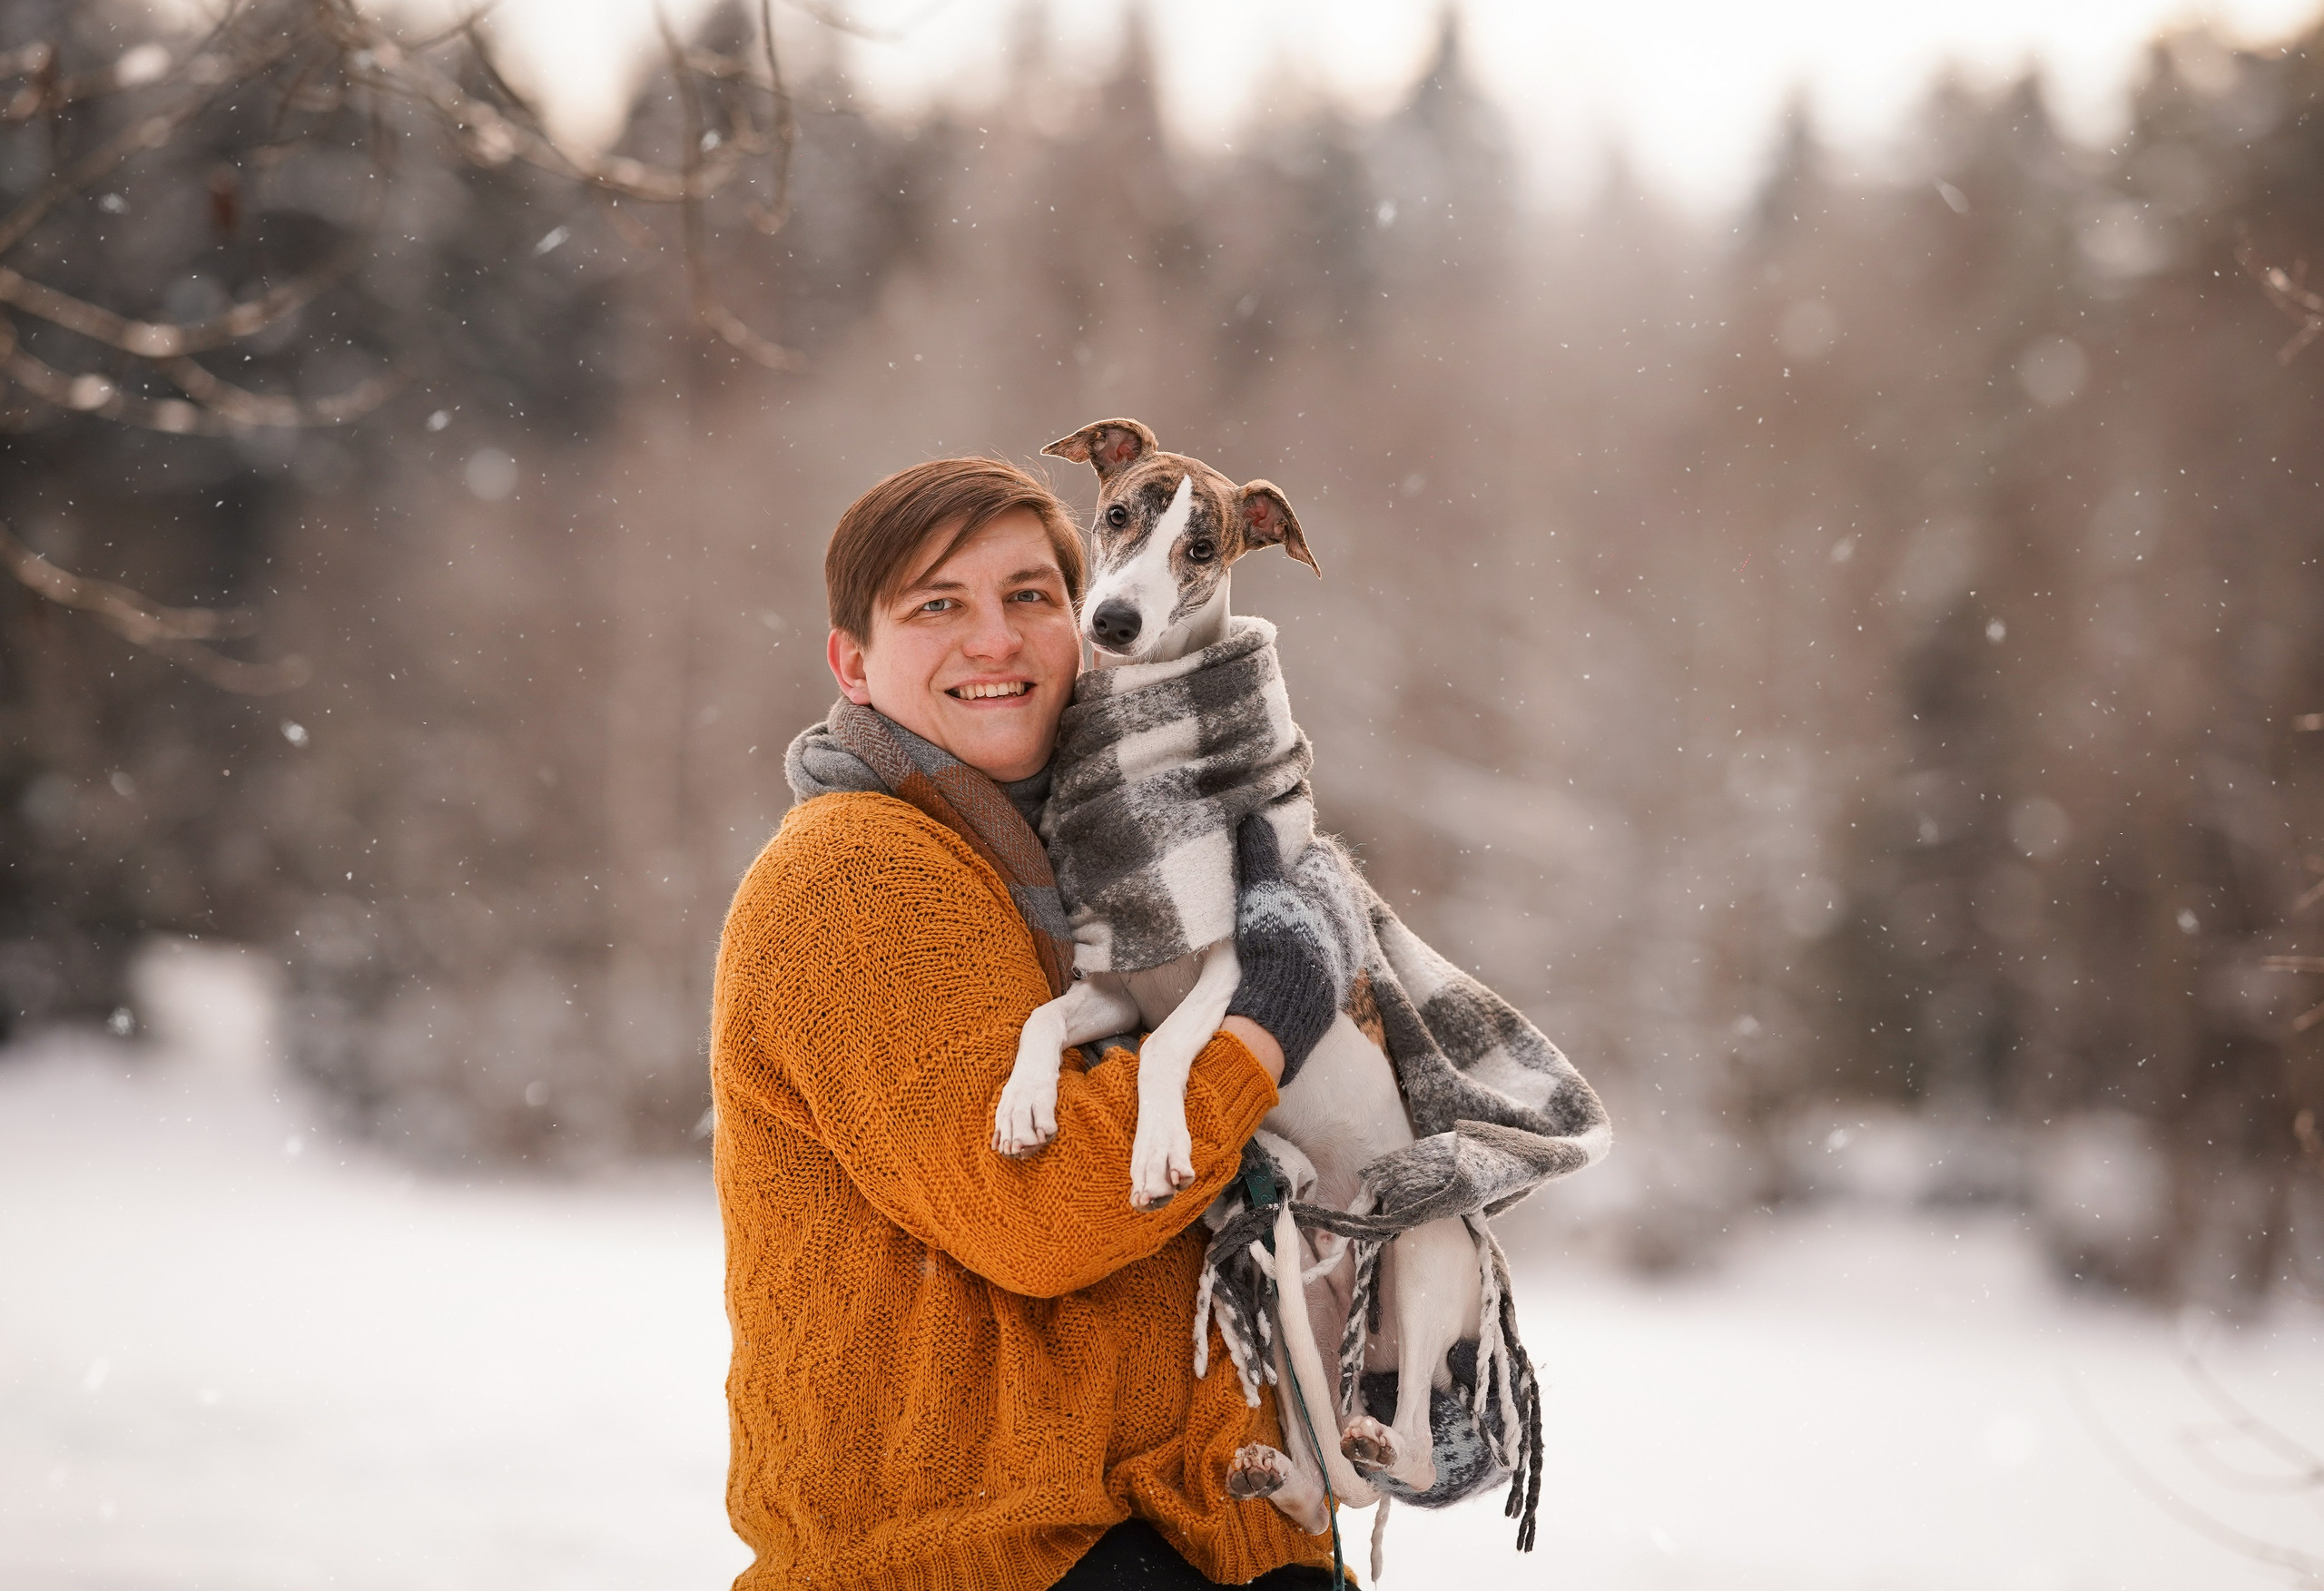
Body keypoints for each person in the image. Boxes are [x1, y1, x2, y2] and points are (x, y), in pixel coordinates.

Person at [710, 457, 1346, 1589]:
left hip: (1189, 1527)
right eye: (937, 605)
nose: (995, 639)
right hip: (989, 1552)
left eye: (1029, 598)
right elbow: (1041, 1210)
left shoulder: (1082, 852)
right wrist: (1262, 1021)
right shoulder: (851, 874)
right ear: (852, 661)